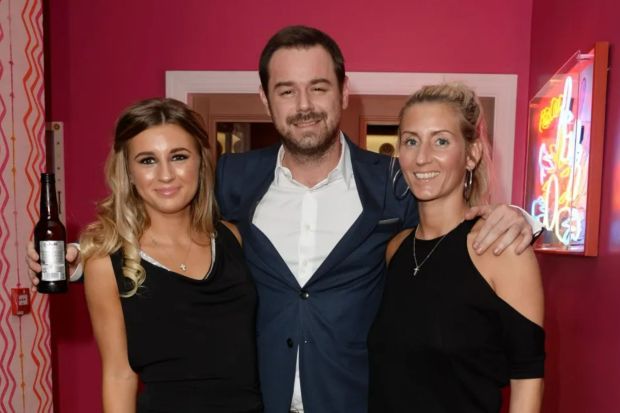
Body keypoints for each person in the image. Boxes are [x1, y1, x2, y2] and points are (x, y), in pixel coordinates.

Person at [28, 26, 538, 413]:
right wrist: (79, 260)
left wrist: (517, 215)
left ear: (342, 91)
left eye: (318, 88)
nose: (304, 106)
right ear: (265, 99)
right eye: (287, 90)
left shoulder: (394, 180)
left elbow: (445, 223)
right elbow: (160, 208)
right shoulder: (228, 180)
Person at [76, 98, 262, 412]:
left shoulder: (233, 238)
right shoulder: (106, 263)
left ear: (201, 162)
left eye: (178, 157)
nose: (165, 175)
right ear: (129, 171)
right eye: (147, 160)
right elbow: (119, 375)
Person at [368, 83, 544, 412]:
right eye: (411, 141)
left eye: (441, 140)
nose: (422, 158)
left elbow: (528, 378)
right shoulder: (396, 249)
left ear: (472, 154)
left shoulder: (501, 251)